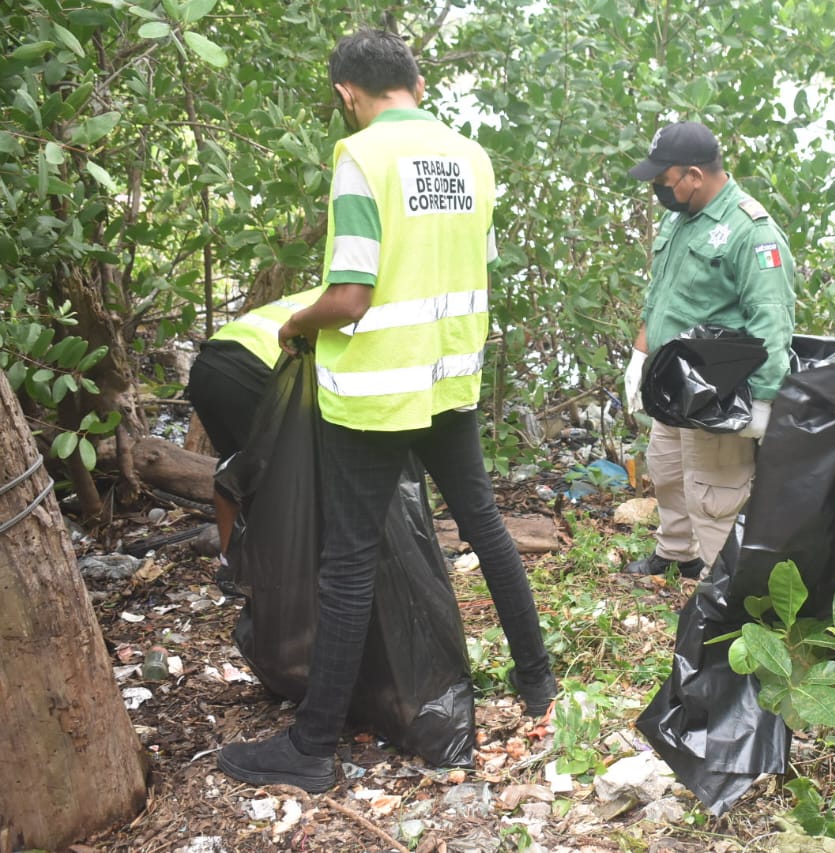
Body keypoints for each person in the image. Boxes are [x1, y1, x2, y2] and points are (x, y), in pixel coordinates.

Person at [217, 30, 556, 793]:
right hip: (448, 380)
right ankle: (539, 684)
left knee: (347, 565)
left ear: (347, 93)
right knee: (486, 527)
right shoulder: (474, 158)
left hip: (375, 395)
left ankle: (310, 748)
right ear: (421, 81)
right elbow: (468, 263)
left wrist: (297, 322)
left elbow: (352, 295)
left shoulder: (361, 158)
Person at [621, 121, 796, 579]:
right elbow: (661, 294)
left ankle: (722, 582)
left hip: (716, 388)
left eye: (663, 181)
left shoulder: (751, 231)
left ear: (694, 176)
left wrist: (761, 401)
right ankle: (676, 551)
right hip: (671, 380)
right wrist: (640, 356)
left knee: (714, 491)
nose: (659, 190)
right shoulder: (678, 219)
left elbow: (771, 321)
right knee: (668, 469)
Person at [186, 286, 325, 593]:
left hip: (209, 364)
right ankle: (286, 570)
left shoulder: (326, 287)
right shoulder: (354, 298)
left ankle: (231, 566)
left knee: (233, 465)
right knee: (287, 472)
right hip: (256, 370)